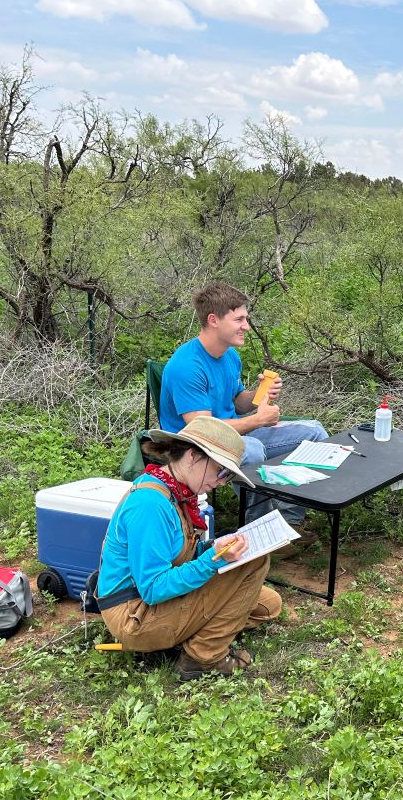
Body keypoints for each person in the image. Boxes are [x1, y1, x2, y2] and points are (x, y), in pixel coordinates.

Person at [97, 416, 283, 681]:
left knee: (267, 605)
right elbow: (153, 588)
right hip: (134, 614)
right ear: (193, 456)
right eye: (221, 471)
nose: (222, 481)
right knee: (253, 563)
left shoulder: (177, 491)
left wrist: (211, 547)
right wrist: (212, 561)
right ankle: (202, 659)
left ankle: (177, 638)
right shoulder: (151, 504)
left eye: (227, 475)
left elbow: (178, 555)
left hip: (152, 603)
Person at [159, 281, 329, 529]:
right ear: (214, 320)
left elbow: (237, 403)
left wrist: (259, 394)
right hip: (192, 445)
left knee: (314, 431)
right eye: (239, 319)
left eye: (245, 319)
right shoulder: (187, 366)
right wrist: (258, 420)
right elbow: (202, 430)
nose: (246, 327)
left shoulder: (229, 355)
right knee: (252, 449)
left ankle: (291, 519)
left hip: (233, 432)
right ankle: (260, 528)